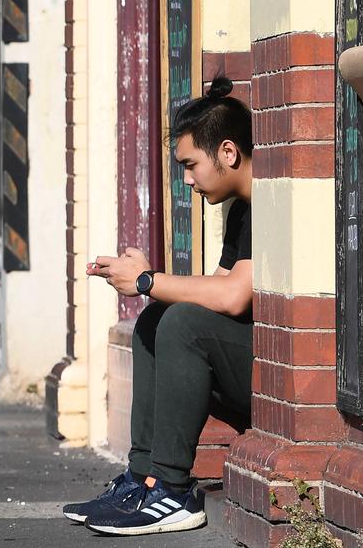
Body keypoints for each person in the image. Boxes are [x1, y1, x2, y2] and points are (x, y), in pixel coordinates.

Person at [63, 75, 253, 536]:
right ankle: (143, 478)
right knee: (157, 317)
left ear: (228, 153)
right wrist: (153, 287)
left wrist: (148, 281)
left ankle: (172, 490)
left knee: (183, 323)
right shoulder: (241, 211)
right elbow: (219, 286)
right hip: (251, 365)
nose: (187, 179)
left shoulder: (270, 200)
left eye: (191, 165)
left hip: (281, 381)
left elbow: (233, 297)